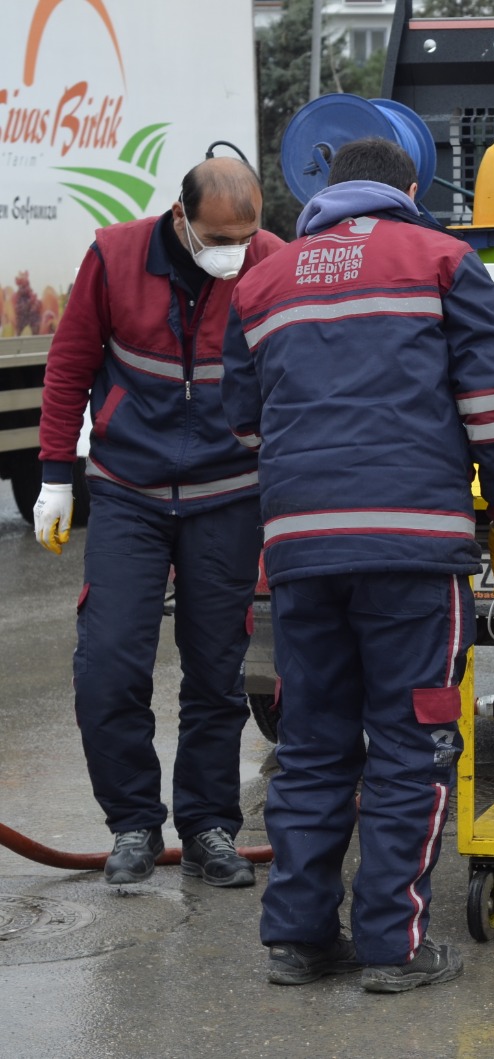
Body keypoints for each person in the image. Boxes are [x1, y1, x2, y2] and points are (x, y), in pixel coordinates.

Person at [222, 137, 494, 993]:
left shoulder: (262, 282)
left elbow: (242, 422)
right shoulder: (443, 260)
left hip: (300, 548)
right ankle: (394, 946)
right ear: (411, 187)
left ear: (323, 192)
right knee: (411, 741)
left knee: (313, 741)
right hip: (413, 547)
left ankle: (298, 940)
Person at [33, 157, 285, 888]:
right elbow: (69, 364)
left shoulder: (270, 260)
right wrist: (55, 475)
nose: (234, 252)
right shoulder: (114, 257)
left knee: (216, 673)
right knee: (108, 666)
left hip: (229, 494)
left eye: (245, 236)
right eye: (220, 238)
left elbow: (296, 371)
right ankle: (133, 824)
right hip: (128, 492)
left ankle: (208, 827)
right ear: (181, 218)